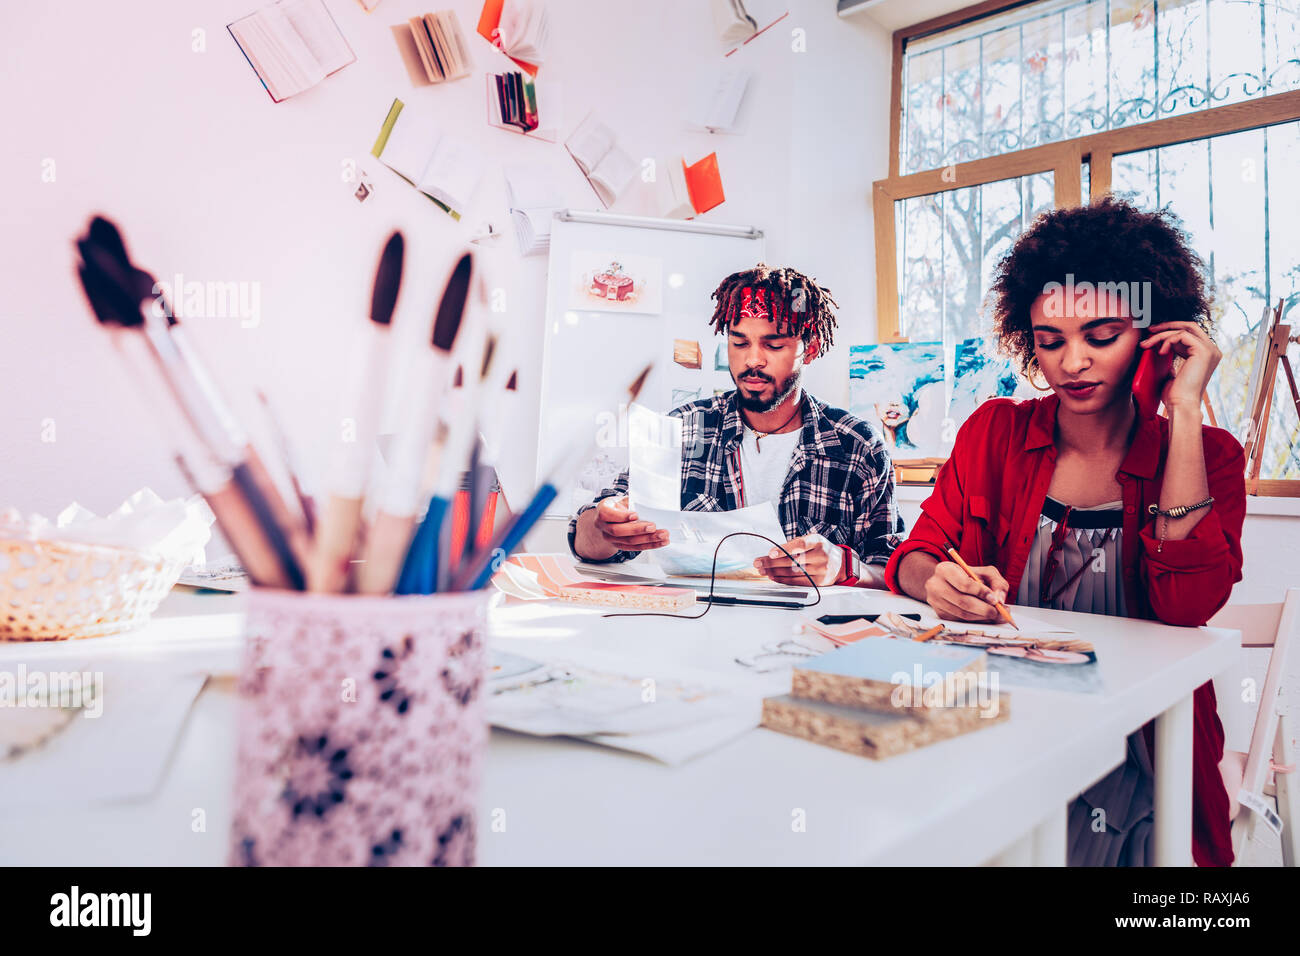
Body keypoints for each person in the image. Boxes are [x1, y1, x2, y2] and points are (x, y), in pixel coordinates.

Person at [884, 197, 1244, 866]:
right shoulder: (993, 432)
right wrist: (936, 580)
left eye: (1100, 337)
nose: (1071, 362)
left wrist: (1184, 408)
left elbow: (1187, 606)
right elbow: (914, 553)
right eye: (1050, 342)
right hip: (997, 725)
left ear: (1154, 334)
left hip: (1136, 746)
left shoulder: (1209, 457)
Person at [569, 264, 904, 587]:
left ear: (810, 348)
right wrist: (603, 527)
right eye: (739, 342)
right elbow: (585, 540)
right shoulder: (683, 429)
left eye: (773, 345)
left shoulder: (856, 446)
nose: (752, 360)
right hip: (693, 627)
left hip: (806, 634)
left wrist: (844, 566)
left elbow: (890, 568)